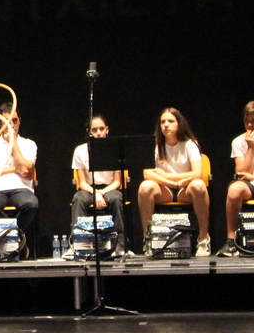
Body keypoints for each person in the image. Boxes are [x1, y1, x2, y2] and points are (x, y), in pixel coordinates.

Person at [137, 107, 210, 257]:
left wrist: (167, 176)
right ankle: (148, 239)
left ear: (179, 124)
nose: (166, 125)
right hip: (165, 190)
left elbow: (197, 173)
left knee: (199, 185)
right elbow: (147, 173)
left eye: (170, 121)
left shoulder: (190, 144)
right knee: (145, 187)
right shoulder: (156, 144)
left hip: (186, 189)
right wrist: (173, 183)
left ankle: (203, 238)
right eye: (163, 122)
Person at [0, 102, 40, 257]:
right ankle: (14, 238)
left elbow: (25, 170)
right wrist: (14, 169)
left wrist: (14, 146)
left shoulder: (29, 144)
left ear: (19, 121)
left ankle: (12, 238)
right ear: (0, 123)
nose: (12, 125)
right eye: (7, 121)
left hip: (21, 188)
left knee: (31, 204)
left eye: (14, 120)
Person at [70, 113, 127, 256]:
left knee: (116, 199)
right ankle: (77, 244)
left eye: (101, 129)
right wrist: (95, 193)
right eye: (94, 130)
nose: (99, 133)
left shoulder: (114, 149)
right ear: (88, 132)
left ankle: (120, 246)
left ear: (107, 129)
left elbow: (117, 182)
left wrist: (101, 193)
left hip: (109, 188)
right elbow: (82, 182)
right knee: (78, 198)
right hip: (89, 188)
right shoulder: (80, 150)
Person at [221, 101, 254, 257]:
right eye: (247, 121)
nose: (249, 125)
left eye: (253, 121)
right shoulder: (238, 142)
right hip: (249, 184)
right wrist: (251, 147)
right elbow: (241, 172)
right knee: (234, 189)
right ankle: (231, 241)